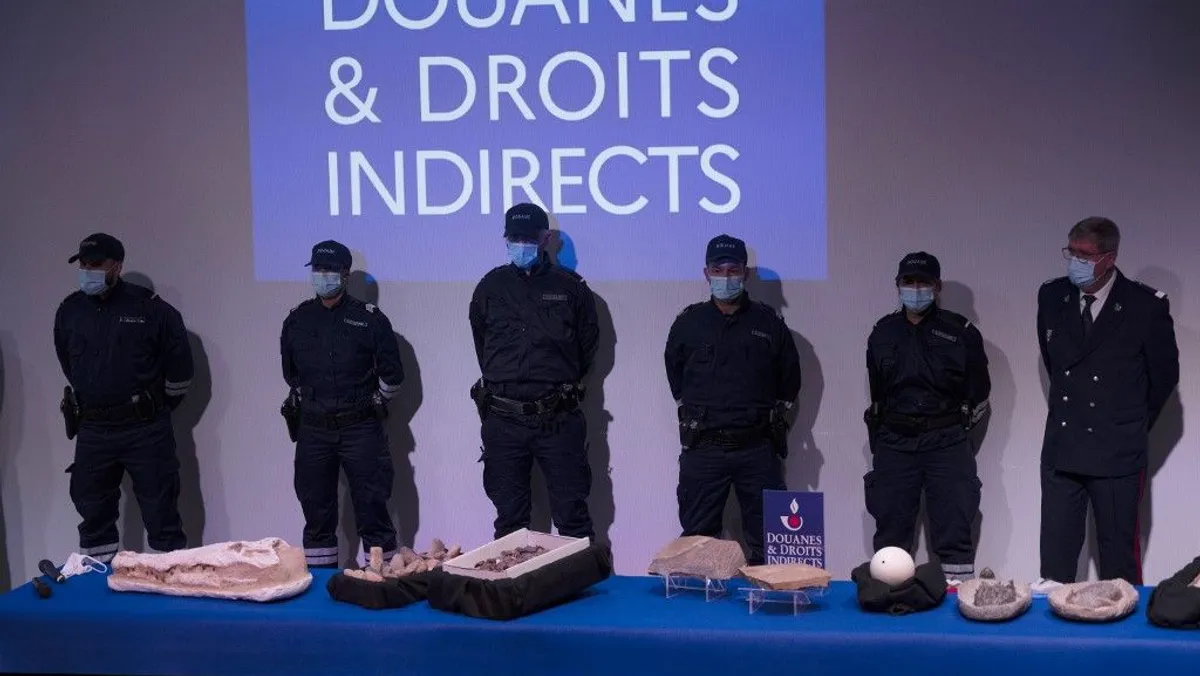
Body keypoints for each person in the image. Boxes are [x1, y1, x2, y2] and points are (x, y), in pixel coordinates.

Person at [1035, 217, 1178, 592]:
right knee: (1054, 564)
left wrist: (1123, 423)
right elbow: (1055, 363)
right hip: (1063, 449)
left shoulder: (1144, 306)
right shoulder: (1051, 296)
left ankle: (1123, 629)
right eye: (1071, 252)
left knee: (1118, 564)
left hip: (1117, 453)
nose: (1075, 262)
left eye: (1085, 255)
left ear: (1109, 258)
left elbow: (1163, 379)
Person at [53, 233, 193, 563]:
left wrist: (147, 407)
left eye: (96, 264)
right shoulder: (70, 311)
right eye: (83, 264)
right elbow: (68, 364)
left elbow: (180, 374)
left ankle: (169, 586)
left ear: (116, 266)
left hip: (145, 428)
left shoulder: (152, 310)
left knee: (162, 514)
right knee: (93, 513)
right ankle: (100, 585)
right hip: (93, 430)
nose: (88, 271)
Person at [664, 234, 802, 565]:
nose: (725, 277)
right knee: (697, 539)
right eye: (718, 270)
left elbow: (789, 381)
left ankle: (767, 596)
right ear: (706, 273)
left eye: (733, 269)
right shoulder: (688, 323)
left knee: (770, 539)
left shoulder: (769, 323)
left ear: (745, 273)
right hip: (704, 447)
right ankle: (701, 598)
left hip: (756, 447)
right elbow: (676, 376)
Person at [468, 203, 599, 540]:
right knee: (509, 521)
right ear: (505, 239)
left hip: (558, 419)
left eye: (529, 238)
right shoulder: (490, 287)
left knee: (572, 517)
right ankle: (513, 577)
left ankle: (580, 576)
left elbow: (586, 349)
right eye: (515, 238)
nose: (521, 245)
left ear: (546, 239)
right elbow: (482, 344)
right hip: (503, 420)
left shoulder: (571, 288)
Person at [863, 252, 991, 586]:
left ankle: (956, 601)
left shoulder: (960, 332)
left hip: (946, 441)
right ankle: (888, 597)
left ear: (937, 286)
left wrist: (950, 428)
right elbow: (878, 392)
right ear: (898, 285)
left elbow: (979, 392)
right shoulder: (882, 332)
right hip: (895, 442)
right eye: (909, 281)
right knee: (890, 532)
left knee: (954, 529)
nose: (916, 288)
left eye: (924, 282)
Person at [280, 240, 405, 568]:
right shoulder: (297, 320)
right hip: (313, 431)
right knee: (316, 516)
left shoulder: (370, 320)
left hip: (360, 428)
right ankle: (322, 590)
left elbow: (393, 375)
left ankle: (381, 585)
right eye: (318, 269)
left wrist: (371, 404)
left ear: (345, 274)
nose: (323, 276)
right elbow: (291, 375)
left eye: (330, 270)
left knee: (373, 511)